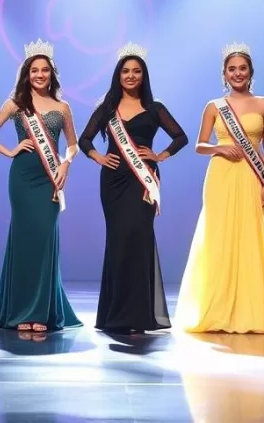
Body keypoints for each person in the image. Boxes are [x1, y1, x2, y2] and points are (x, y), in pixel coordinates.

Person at [78, 43, 187, 333]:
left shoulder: (155, 108)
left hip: (142, 182)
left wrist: (160, 155)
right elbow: (84, 140)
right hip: (113, 182)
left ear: (143, 76)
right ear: (118, 75)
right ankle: (115, 315)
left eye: (136, 71)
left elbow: (181, 137)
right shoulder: (107, 109)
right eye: (125, 71)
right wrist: (99, 157)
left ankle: (139, 315)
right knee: (118, 240)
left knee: (139, 238)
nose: (130, 76)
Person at [175, 43, 264, 334]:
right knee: (219, 236)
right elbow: (199, 145)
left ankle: (250, 310)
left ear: (250, 72)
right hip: (220, 175)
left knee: (249, 236)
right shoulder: (214, 106)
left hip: (251, 175)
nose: (237, 73)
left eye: (242, 68)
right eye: (232, 69)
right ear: (224, 74)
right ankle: (217, 309)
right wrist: (219, 148)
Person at [0, 39, 82, 333]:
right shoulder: (16, 104)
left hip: (50, 179)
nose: (39, 75)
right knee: (24, 241)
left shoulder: (63, 107)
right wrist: (10, 151)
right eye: (34, 70)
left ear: (52, 74)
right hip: (23, 178)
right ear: (27, 74)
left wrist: (65, 164)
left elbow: (73, 145)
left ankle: (41, 311)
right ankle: (21, 311)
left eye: (45, 70)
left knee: (44, 240)